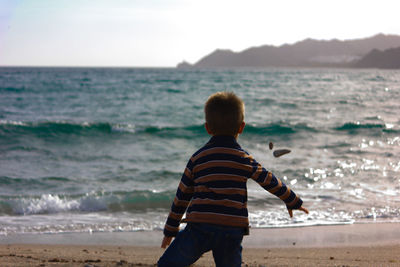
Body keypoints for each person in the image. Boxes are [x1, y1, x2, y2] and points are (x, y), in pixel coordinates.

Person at [158, 92, 308, 267]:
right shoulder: (244, 158)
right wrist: (292, 200)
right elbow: (269, 181)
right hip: (231, 229)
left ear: (207, 128)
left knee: (167, 264)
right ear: (241, 127)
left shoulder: (197, 158)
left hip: (199, 228)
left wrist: (171, 229)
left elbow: (182, 196)